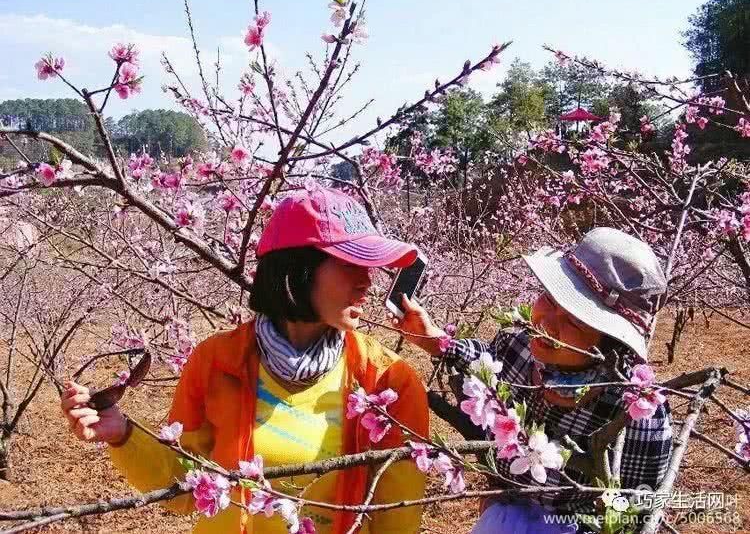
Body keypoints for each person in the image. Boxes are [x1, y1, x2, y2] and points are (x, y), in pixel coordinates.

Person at [61, 186, 429, 534]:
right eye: (351, 263)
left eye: (369, 266)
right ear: (296, 270)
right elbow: (186, 485)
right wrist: (123, 435)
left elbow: (398, 516)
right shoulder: (216, 362)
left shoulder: (388, 384)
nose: (368, 281)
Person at [396, 227, 673, 534]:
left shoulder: (636, 412)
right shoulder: (521, 347)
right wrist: (436, 341)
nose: (546, 323)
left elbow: (636, 511)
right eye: (549, 300)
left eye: (575, 321)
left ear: (607, 344)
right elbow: (489, 360)